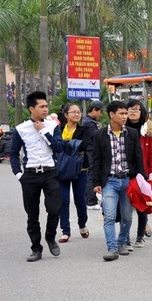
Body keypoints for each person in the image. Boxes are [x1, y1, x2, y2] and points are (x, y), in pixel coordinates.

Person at [9, 91, 64, 262]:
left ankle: (50, 237)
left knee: (55, 209)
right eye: (42, 106)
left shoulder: (53, 126)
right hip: (30, 175)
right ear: (32, 108)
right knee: (32, 214)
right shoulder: (20, 129)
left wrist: (43, 132)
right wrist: (19, 175)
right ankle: (36, 248)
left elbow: (59, 148)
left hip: (50, 172)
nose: (46, 109)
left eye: (47, 106)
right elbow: (13, 153)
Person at [90, 101, 145, 261]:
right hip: (110, 182)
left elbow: (138, 158)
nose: (125, 117)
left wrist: (142, 180)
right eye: (121, 113)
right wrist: (96, 183)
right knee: (109, 216)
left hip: (128, 181)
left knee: (127, 217)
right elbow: (96, 160)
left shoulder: (132, 134)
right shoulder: (100, 135)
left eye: (126, 113)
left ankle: (122, 242)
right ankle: (112, 248)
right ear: (111, 115)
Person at [125, 99, 152, 247]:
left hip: (143, 175)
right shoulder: (120, 129)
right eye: (130, 109)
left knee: (142, 206)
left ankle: (140, 236)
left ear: (142, 112)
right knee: (125, 209)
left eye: (136, 109)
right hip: (124, 173)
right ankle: (124, 237)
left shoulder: (148, 131)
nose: (133, 112)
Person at [57, 104, 91, 243]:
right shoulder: (58, 129)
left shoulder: (85, 129)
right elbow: (54, 145)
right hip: (62, 169)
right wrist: (72, 145)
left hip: (80, 169)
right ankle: (65, 231)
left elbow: (83, 145)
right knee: (63, 201)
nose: (77, 114)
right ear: (66, 115)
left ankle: (82, 224)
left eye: (79, 112)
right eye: (73, 112)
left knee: (80, 200)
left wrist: (64, 145)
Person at [82, 100, 103, 209]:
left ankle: (89, 199)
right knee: (91, 175)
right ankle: (91, 201)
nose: (101, 115)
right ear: (94, 110)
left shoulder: (88, 121)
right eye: (100, 112)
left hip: (89, 151)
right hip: (90, 151)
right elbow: (96, 137)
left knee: (90, 174)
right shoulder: (89, 123)